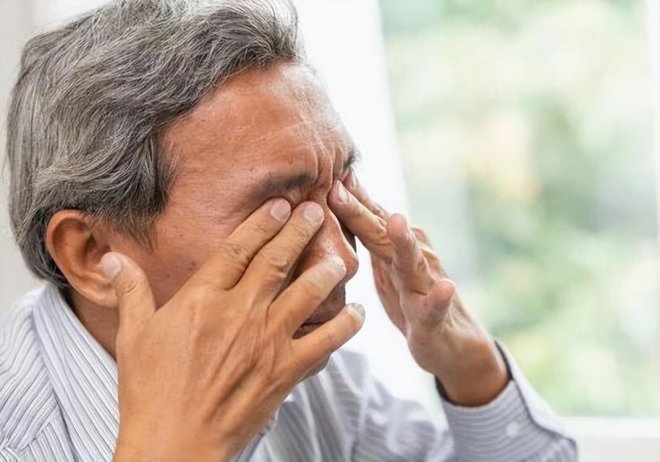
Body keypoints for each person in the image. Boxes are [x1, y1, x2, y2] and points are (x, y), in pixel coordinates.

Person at [0, 1, 577, 461]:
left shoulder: (310, 379)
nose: (342, 259)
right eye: (278, 213)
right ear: (92, 254)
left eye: (340, 192)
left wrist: (468, 365)